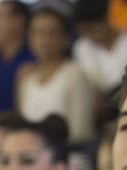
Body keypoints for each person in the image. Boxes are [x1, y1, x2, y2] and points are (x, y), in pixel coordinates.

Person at [17, 6, 99, 142]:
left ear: (65, 38)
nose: (44, 39)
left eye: (52, 32)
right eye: (37, 32)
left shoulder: (75, 74)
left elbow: (80, 131)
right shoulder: (26, 78)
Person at [74, 0, 127, 94]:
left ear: (105, 18)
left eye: (92, 28)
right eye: (84, 31)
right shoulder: (82, 47)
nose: (90, 34)